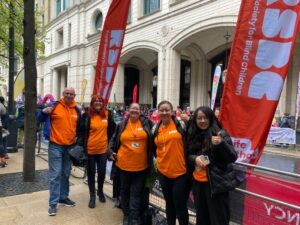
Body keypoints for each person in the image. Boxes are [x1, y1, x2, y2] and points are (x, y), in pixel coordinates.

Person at [186, 106, 237, 225]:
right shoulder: (193, 133)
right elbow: (188, 155)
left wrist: (221, 144)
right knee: (202, 219)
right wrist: (195, 159)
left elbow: (232, 157)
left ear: (210, 118)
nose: (202, 121)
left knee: (218, 220)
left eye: (205, 118)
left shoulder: (220, 133)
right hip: (199, 184)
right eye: (199, 118)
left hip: (216, 186)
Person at [108, 103, 153, 225]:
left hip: (141, 166)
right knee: (124, 190)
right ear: (128, 110)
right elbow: (113, 140)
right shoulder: (122, 124)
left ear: (140, 111)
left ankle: (134, 217)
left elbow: (158, 134)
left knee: (136, 192)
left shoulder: (147, 123)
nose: (134, 110)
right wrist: (110, 151)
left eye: (137, 109)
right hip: (123, 165)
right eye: (132, 108)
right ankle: (126, 215)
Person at [37, 87, 81, 216]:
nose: (69, 96)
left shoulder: (76, 109)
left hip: (70, 147)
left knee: (66, 173)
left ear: (74, 96)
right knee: (55, 174)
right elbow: (39, 119)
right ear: (63, 94)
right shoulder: (54, 105)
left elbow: (78, 127)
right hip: (55, 145)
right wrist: (44, 112)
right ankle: (53, 203)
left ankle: (63, 197)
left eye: (71, 94)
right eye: (67, 93)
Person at [152, 100, 191, 225]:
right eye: (161, 110)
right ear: (158, 113)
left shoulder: (180, 124)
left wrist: (189, 121)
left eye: (167, 110)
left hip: (181, 173)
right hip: (163, 172)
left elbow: (195, 132)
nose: (164, 112)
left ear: (172, 111)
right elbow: (154, 148)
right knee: (169, 203)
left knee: (180, 205)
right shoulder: (155, 128)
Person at [77, 95, 116, 208]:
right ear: (92, 103)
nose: (98, 102)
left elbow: (113, 131)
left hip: (103, 150)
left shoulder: (108, 115)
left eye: (100, 101)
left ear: (103, 103)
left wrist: (110, 146)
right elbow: (80, 131)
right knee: (91, 173)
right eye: (96, 101)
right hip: (90, 150)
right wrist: (81, 143)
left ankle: (100, 191)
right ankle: (92, 196)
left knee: (102, 172)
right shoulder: (87, 115)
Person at [0, 97, 7, 168]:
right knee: (0, 143)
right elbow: (4, 112)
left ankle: (2, 161)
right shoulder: (1, 105)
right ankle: (3, 161)